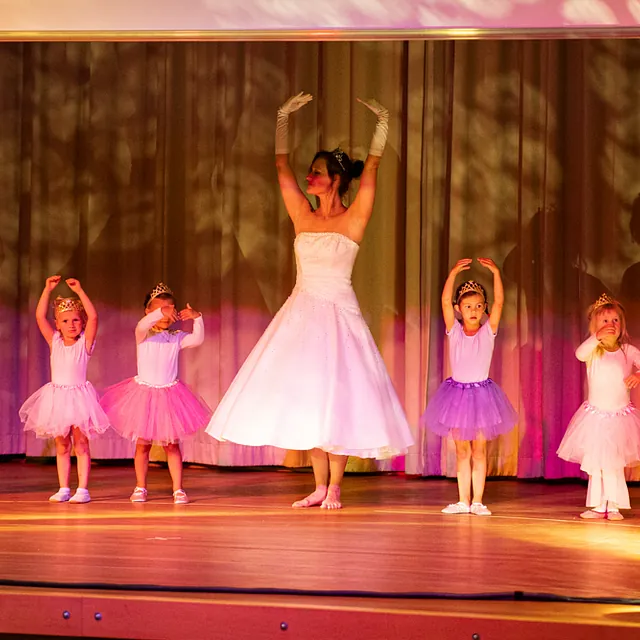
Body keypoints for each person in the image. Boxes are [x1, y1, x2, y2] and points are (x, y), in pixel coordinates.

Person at [206, 92, 413, 509]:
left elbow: (371, 168)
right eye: (310, 172)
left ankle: (335, 485)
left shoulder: (353, 218)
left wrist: (383, 125)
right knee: (309, 399)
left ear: (335, 179)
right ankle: (319, 485)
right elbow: (280, 166)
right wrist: (281, 118)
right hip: (301, 314)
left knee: (338, 397)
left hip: (339, 314)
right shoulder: (303, 214)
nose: (309, 177)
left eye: (316, 172)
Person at [422, 258, 517, 516]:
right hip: (457, 397)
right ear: (458, 309)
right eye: (467, 306)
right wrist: (452, 273)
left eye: (478, 306)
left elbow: (499, 302)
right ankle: (463, 500)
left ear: (484, 309)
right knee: (462, 450)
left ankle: (478, 501)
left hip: (483, 397)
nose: (473, 311)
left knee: (479, 449)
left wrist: (496, 272)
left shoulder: (489, 331)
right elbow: (443, 302)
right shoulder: (454, 331)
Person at [100, 283, 210, 504]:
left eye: (171, 308)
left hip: (169, 395)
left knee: (172, 445)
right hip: (144, 395)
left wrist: (197, 318)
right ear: (148, 312)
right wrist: (161, 311)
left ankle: (178, 489)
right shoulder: (143, 334)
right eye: (160, 309)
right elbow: (144, 323)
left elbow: (197, 339)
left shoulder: (176, 337)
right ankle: (140, 486)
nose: (166, 313)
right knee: (143, 444)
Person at [20, 276, 109, 503]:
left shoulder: (84, 344)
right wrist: (47, 290)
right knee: (61, 445)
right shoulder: (55, 342)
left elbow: (95, 317)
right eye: (66, 320)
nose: (71, 324)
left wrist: (79, 291)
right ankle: (63, 488)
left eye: (76, 320)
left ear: (82, 323)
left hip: (79, 398)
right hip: (58, 398)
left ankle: (83, 489)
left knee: (81, 444)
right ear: (57, 324)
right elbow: (40, 316)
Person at [557, 294, 640, 520]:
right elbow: (579, 354)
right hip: (595, 417)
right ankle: (597, 505)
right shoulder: (593, 350)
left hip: (619, 418)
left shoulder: (628, 351)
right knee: (597, 463)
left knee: (613, 462)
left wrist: (638, 375)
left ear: (621, 325)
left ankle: (613, 505)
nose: (610, 325)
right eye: (604, 321)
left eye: (615, 321)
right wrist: (595, 338)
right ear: (595, 326)